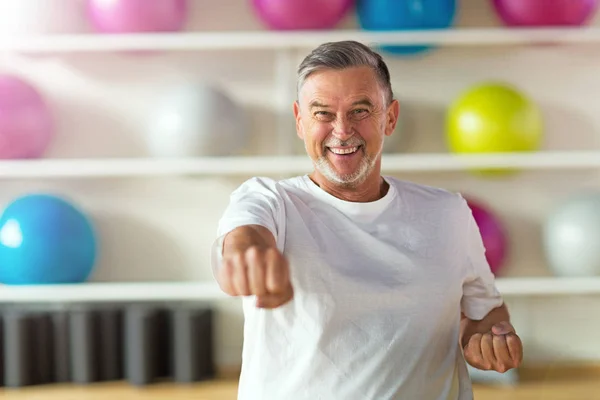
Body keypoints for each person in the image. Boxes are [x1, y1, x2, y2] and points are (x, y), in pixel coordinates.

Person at [211, 40, 523, 400]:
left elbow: (485, 311)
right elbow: (244, 237)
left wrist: (488, 336)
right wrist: (247, 254)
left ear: (390, 117)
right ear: (300, 120)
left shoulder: (448, 213)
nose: (342, 130)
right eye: (322, 113)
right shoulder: (271, 201)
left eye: (360, 110)